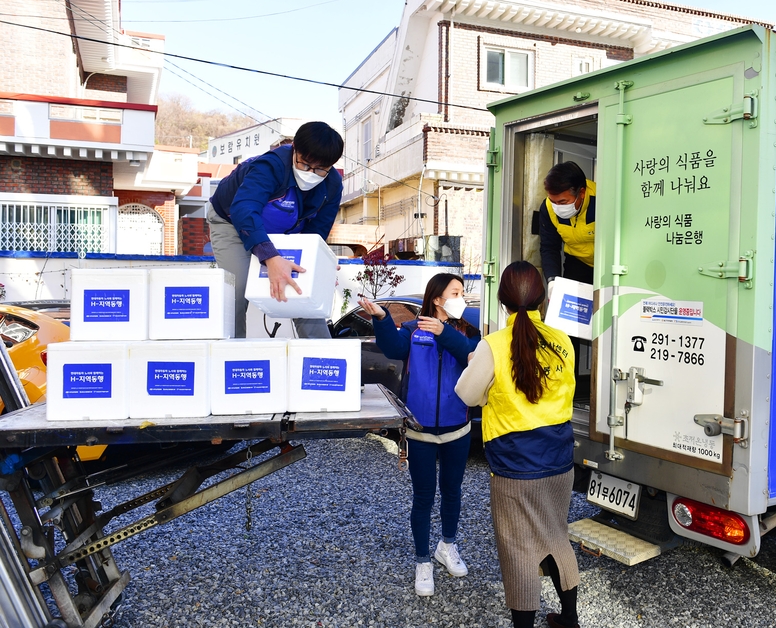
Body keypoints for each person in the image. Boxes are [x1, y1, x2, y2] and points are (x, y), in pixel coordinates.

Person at [455, 261, 581, 628]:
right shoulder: (562, 342)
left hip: (514, 466)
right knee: (557, 536)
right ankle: (569, 620)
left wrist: (479, 376)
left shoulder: (492, 345)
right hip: (559, 460)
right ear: (542, 299)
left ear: (502, 301)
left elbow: (466, 393)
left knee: (519, 551)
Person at [357, 274, 479, 597]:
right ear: (437, 299)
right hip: (421, 432)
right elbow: (392, 346)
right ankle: (423, 560)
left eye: (463, 292)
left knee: (452, 491)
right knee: (423, 496)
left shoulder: (467, 332)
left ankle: (447, 546)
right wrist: (382, 319)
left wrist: (443, 334)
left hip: (458, 430)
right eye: (456, 292)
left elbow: (470, 355)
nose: (461, 298)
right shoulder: (412, 330)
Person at [207, 121, 344, 339]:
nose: (311, 173)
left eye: (320, 169)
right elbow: (244, 209)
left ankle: (321, 360)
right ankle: (230, 358)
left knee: (304, 285)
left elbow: (316, 234)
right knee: (236, 288)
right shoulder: (270, 166)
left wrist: (318, 267)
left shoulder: (333, 185)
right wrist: (270, 257)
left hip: (286, 232)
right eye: (305, 164)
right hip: (232, 222)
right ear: (294, 150)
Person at [538, 161, 596, 285]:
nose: (557, 207)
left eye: (563, 202)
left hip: (608, 263)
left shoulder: (601, 200)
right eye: (554, 201)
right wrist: (552, 280)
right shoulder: (548, 208)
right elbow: (549, 247)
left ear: (581, 193)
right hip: (577, 262)